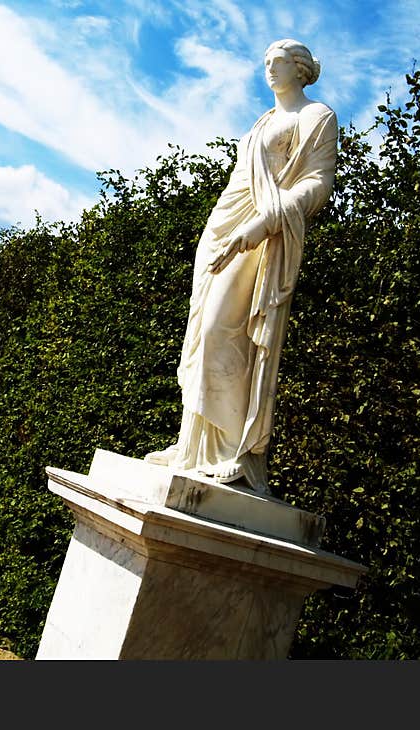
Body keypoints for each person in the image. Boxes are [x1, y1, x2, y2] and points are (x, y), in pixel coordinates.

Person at [145, 39, 338, 495]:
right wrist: (229, 226)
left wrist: (262, 224)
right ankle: (192, 447)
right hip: (222, 225)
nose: (269, 69)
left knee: (221, 331)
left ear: (300, 68)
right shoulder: (264, 120)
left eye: (278, 62)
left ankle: (235, 450)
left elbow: (318, 183)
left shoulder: (316, 116)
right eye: (266, 62)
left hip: (263, 233)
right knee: (198, 334)